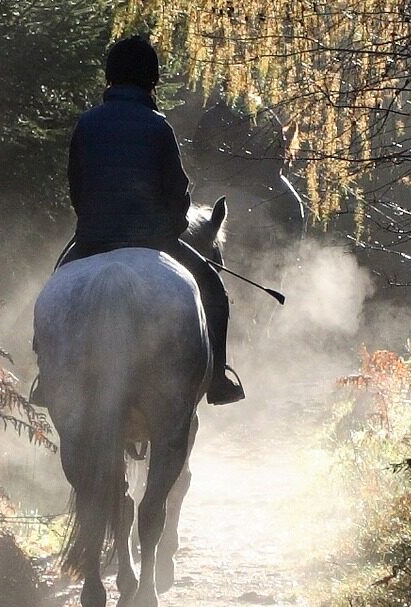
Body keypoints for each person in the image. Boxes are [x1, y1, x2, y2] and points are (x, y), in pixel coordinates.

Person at [49, 35, 245, 405]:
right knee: (214, 292)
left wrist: (93, 220)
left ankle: (48, 375)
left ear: (109, 77)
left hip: (93, 238)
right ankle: (218, 378)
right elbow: (178, 191)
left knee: (55, 284)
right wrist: (171, 227)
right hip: (152, 240)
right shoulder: (158, 126)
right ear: (152, 80)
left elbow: (77, 183)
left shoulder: (87, 124)